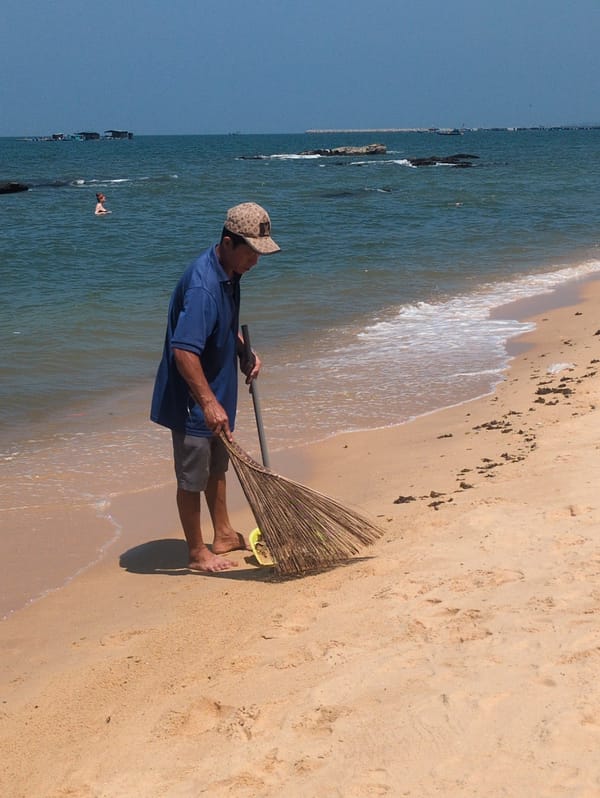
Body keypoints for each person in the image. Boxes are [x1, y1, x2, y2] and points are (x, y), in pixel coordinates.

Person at [150, 202, 281, 572]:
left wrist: (244, 351)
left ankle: (222, 533)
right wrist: (208, 403)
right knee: (193, 476)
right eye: (252, 252)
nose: (256, 261)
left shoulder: (231, 272)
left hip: (218, 387)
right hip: (194, 398)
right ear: (228, 242)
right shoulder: (204, 286)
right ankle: (196, 553)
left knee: (216, 467)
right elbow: (183, 352)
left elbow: (222, 326)